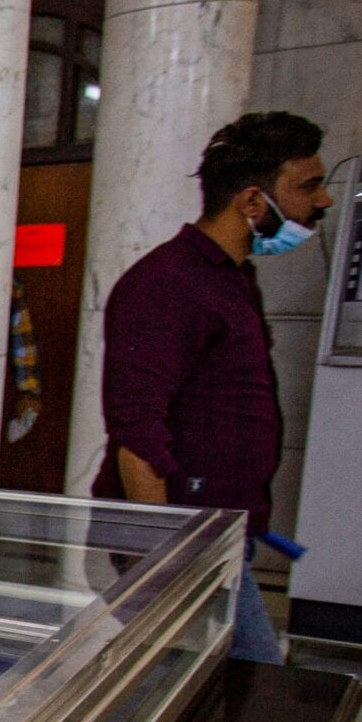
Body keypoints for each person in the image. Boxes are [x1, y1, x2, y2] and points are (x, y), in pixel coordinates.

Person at [92, 111, 333, 664]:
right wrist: (164, 562)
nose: (323, 202)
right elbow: (138, 436)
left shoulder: (230, 278)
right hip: (183, 541)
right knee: (252, 679)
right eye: (308, 186)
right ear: (253, 202)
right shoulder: (167, 283)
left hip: (220, 532)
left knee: (207, 690)